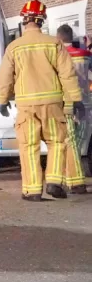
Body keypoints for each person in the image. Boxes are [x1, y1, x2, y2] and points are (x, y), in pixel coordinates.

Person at [0, 0, 83, 201]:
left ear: (24, 20)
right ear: (42, 20)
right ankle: (53, 181)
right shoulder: (54, 43)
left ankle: (33, 190)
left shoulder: (14, 47)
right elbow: (67, 74)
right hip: (53, 104)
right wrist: (75, 98)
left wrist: (2, 100)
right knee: (57, 143)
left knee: (28, 147)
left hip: (26, 106)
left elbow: (5, 77)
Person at [57, 24, 90, 194]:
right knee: (78, 143)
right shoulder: (85, 55)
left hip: (65, 105)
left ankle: (71, 181)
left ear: (58, 38)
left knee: (66, 143)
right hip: (85, 103)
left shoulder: (57, 56)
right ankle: (74, 180)